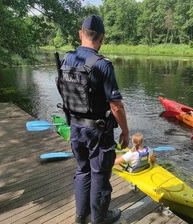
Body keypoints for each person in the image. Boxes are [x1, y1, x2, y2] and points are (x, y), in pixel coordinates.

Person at [56, 14, 129, 224]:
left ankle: (81, 215)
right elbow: (117, 106)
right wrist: (125, 131)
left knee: (83, 171)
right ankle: (100, 218)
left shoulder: (66, 59)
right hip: (98, 132)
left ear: (81, 34)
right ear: (102, 38)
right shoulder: (102, 64)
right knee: (99, 176)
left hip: (75, 129)